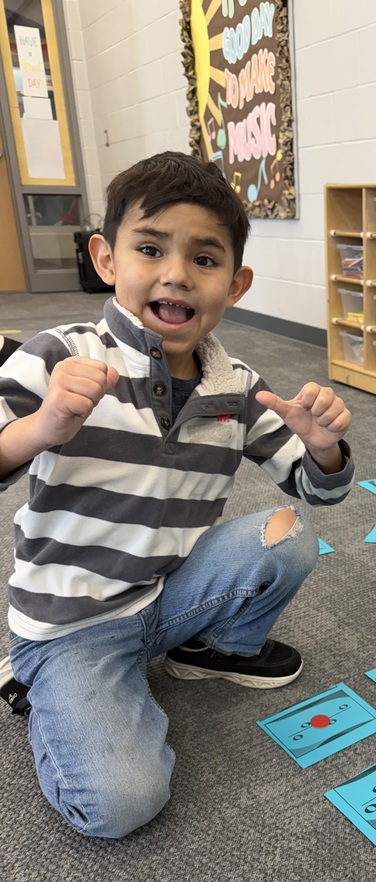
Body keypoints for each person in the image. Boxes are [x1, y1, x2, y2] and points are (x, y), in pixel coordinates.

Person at [0, 151, 354, 838]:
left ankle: (208, 647)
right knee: (123, 802)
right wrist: (41, 427)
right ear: (105, 259)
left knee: (288, 533)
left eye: (204, 258)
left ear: (236, 283)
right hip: (73, 627)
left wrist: (323, 446)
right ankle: (38, 683)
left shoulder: (238, 386)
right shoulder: (59, 353)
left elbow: (316, 491)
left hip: (164, 597)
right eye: (150, 249)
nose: (175, 274)